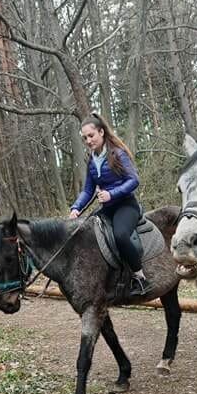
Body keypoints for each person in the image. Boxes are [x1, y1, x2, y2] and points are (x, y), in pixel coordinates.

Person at [69, 112, 151, 297]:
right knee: (84, 231)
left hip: (126, 205)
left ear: (101, 132)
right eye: (85, 138)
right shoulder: (92, 161)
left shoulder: (118, 153)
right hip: (107, 209)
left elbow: (134, 180)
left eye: (91, 135)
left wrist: (111, 194)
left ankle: (140, 277)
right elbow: (87, 191)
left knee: (120, 235)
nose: (88, 141)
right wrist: (76, 208)